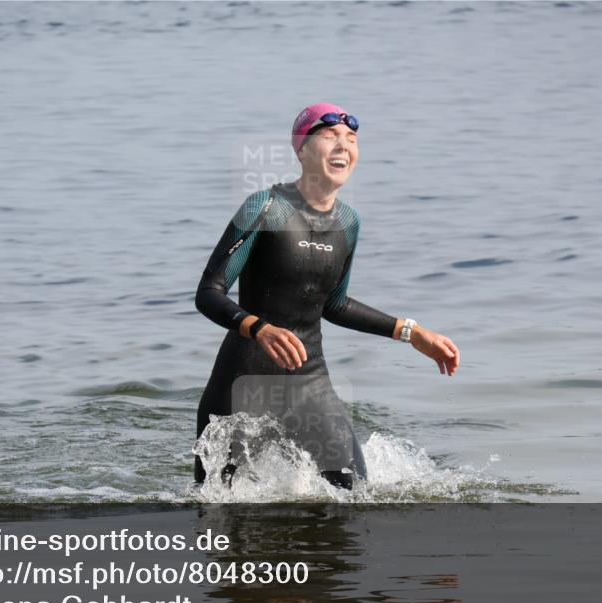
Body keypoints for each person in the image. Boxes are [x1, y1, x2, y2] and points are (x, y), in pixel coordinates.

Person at [194, 102, 460, 490]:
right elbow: (208, 292)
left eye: (351, 139)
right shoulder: (265, 208)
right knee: (223, 508)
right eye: (329, 135)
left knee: (354, 493)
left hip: (309, 382)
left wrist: (410, 331)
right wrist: (259, 328)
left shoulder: (348, 223)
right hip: (243, 382)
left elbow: (334, 304)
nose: (343, 145)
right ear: (301, 150)